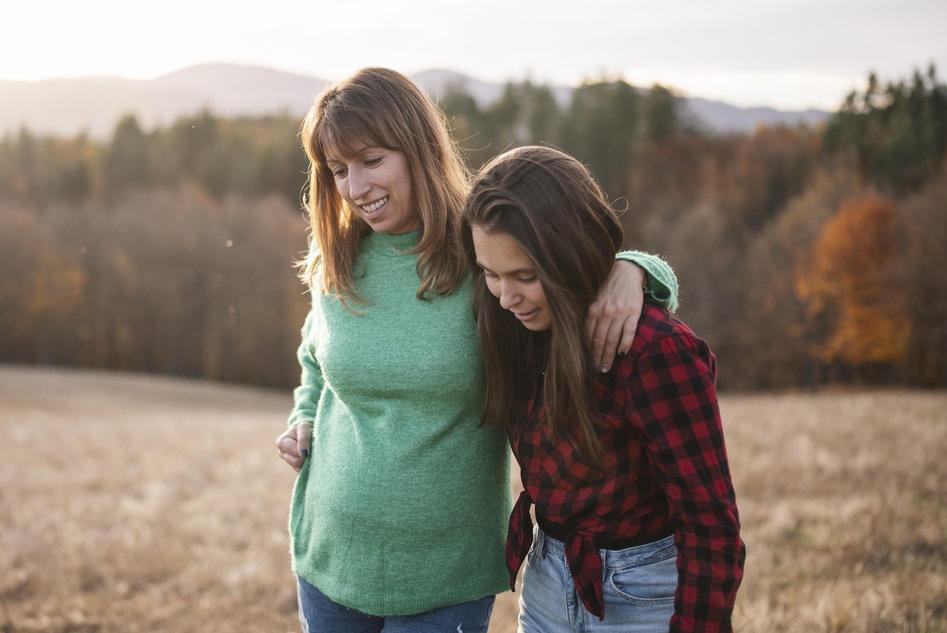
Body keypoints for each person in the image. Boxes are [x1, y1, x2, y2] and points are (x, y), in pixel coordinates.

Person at [274, 68, 679, 632]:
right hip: (329, 552)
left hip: (446, 569)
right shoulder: (339, 258)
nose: (355, 188)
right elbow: (315, 357)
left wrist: (637, 269)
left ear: (418, 148)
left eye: (372, 161)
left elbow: (571, 264)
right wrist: (302, 417)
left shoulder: (482, 251)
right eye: (338, 170)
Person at [463, 145, 744, 632]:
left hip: (645, 592)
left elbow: (710, 526)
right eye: (490, 274)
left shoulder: (656, 350)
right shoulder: (510, 325)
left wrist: (633, 267)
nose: (506, 297)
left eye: (525, 277)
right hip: (548, 575)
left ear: (568, 256)